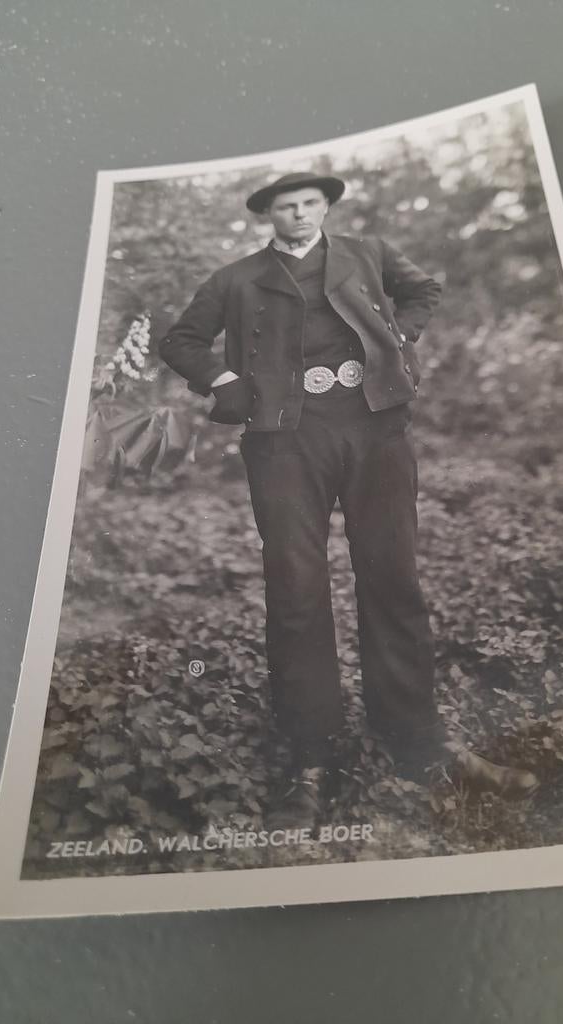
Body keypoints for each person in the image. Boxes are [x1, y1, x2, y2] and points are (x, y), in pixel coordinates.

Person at [159, 171, 538, 829]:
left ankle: (419, 742)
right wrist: (223, 379)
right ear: (268, 214)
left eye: (311, 203)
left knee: (393, 579)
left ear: (326, 207)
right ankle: (311, 759)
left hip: (375, 430)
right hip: (285, 442)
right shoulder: (237, 279)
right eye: (287, 206)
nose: (300, 214)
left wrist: (397, 338)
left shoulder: (369, 253)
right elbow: (181, 341)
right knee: (295, 590)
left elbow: (423, 290)